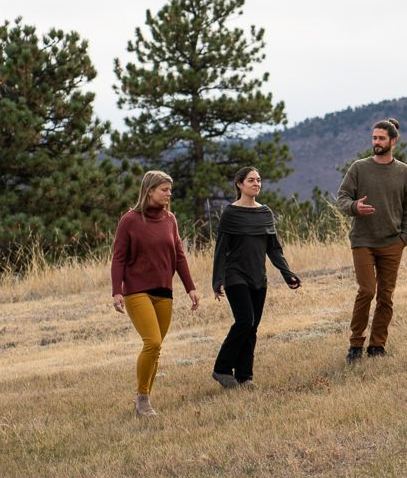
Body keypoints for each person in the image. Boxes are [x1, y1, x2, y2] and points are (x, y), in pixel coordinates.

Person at [111, 170, 199, 417]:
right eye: (164, 190)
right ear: (149, 190)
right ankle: (142, 399)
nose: (169, 194)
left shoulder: (170, 220)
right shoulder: (129, 220)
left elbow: (179, 255)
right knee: (152, 342)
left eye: (170, 190)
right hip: (137, 292)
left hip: (164, 291)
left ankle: (143, 399)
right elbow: (118, 257)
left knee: (157, 348)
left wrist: (190, 287)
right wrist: (117, 291)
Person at [212, 166, 301, 389]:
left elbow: (274, 249)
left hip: (258, 277)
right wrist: (218, 279)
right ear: (239, 184)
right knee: (245, 321)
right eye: (251, 180)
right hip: (235, 276)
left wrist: (287, 273)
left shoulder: (265, 213)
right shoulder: (231, 213)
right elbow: (221, 250)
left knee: (252, 327)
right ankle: (222, 369)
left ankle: (244, 376)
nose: (256, 183)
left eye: (259, 180)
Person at [337, 118, 407, 362]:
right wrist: (354, 207)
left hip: (393, 242)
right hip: (363, 240)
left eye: (381, 138)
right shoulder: (359, 168)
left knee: (385, 296)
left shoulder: (404, 172)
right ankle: (355, 344)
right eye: (374, 138)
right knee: (367, 291)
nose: (376, 142)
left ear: (393, 141)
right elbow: (342, 198)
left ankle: (377, 346)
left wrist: (405, 237)